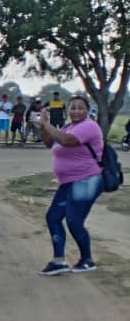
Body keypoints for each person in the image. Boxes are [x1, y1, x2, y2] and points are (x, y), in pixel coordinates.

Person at [38, 95, 105, 275]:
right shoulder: (69, 126)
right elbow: (49, 142)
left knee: (74, 220)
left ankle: (87, 259)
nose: (75, 111)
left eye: (80, 107)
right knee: (53, 217)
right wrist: (43, 126)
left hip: (87, 180)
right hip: (68, 182)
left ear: (87, 110)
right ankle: (59, 261)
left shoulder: (89, 126)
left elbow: (67, 141)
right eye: (72, 108)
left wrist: (47, 125)